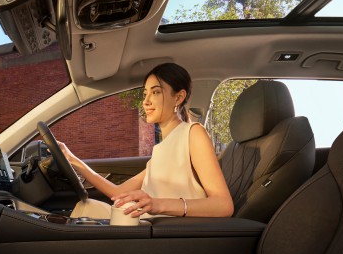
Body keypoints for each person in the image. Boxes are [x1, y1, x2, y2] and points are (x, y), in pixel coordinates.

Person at [58, 62, 233, 220]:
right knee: (85, 208)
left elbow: (223, 205)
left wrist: (157, 204)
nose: (146, 101)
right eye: (145, 93)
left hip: (166, 233)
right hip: (146, 226)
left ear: (178, 97)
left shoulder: (193, 133)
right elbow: (117, 192)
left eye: (155, 92)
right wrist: (71, 158)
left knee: (83, 212)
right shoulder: (161, 149)